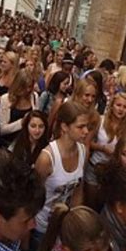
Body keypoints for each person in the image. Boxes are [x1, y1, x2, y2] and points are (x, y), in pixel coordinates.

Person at [34, 102, 89, 241]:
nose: (86, 131)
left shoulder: (83, 150)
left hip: (63, 226)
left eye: (86, 126)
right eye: (80, 127)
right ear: (64, 127)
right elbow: (32, 195)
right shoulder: (46, 158)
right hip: (41, 226)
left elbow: (78, 190)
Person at [0, 70, 38, 146]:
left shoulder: (34, 97)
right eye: (24, 87)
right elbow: (2, 130)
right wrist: (22, 122)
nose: (28, 90)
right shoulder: (5, 99)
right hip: (10, 143)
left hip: (29, 143)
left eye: (30, 87)